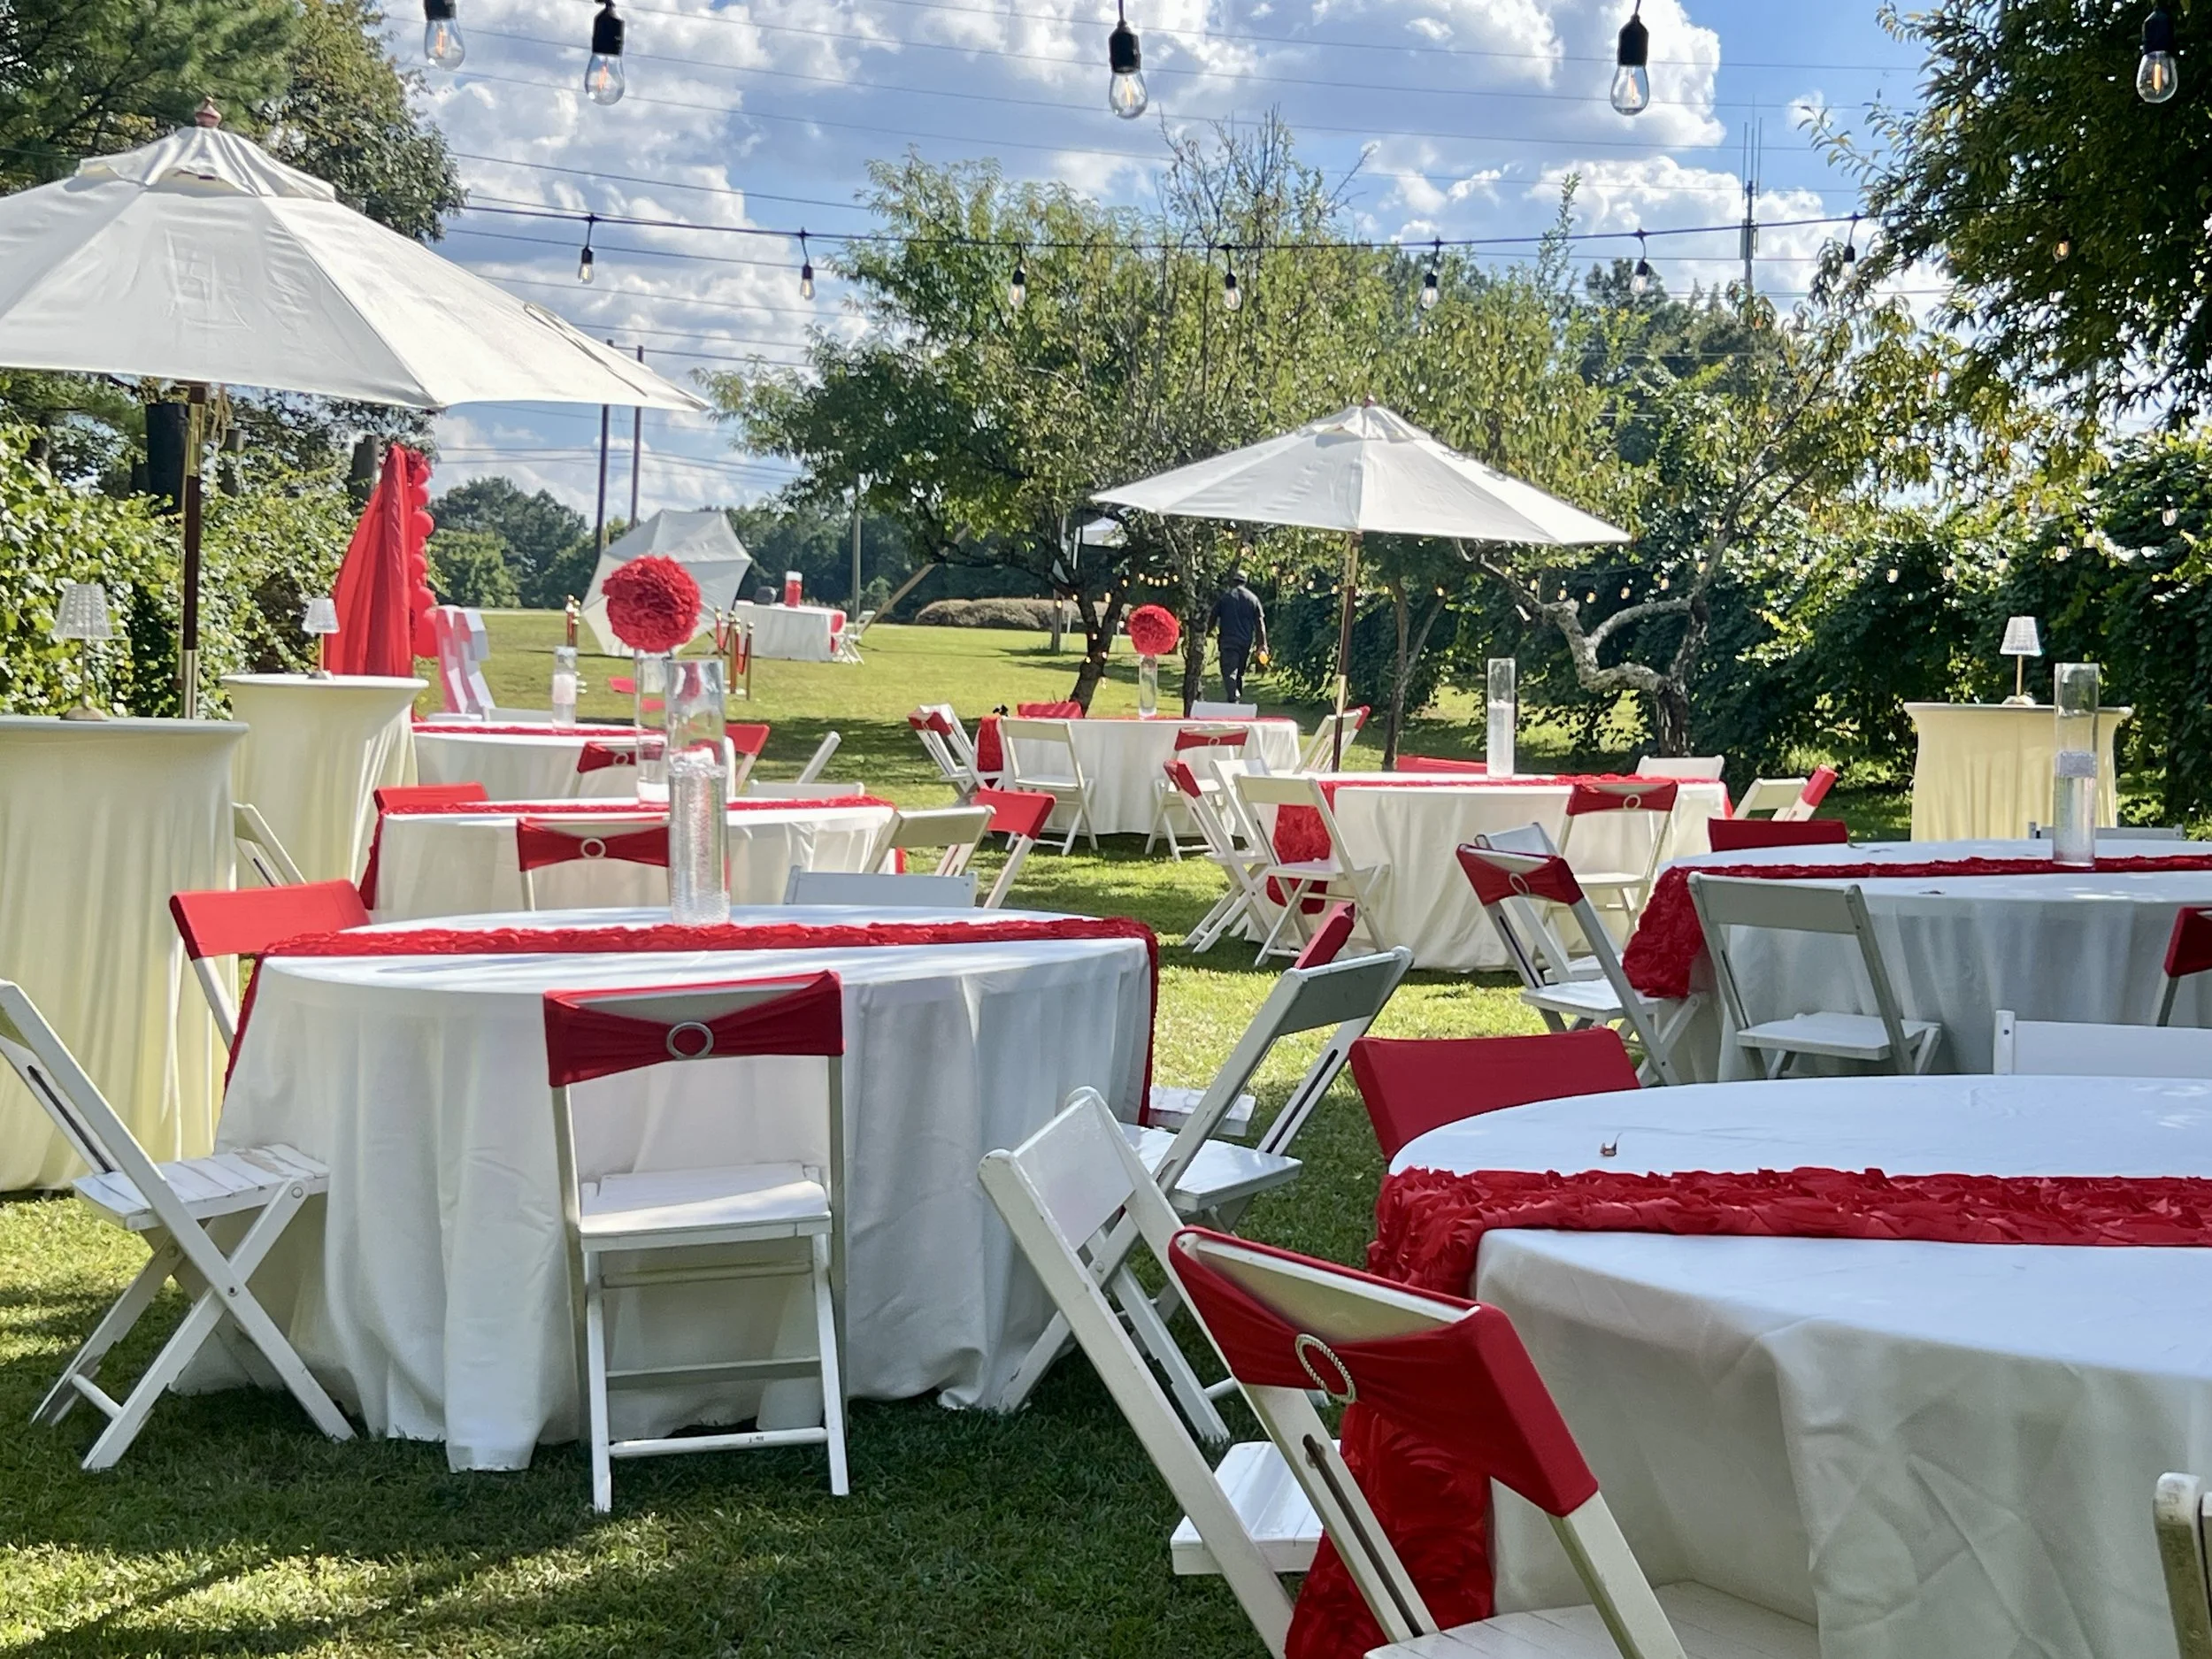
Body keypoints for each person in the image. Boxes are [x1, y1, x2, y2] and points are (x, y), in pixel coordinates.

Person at [1208, 572, 1268, 702]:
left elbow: (1212, 618)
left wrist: (1206, 632)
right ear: (1245, 582)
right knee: (1240, 673)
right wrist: (1262, 645)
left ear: (1233, 581)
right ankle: (1236, 702)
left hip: (1228, 641)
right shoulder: (1253, 599)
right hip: (1245, 642)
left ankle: (1234, 697)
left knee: (1229, 672)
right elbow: (1260, 624)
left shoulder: (1225, 598)